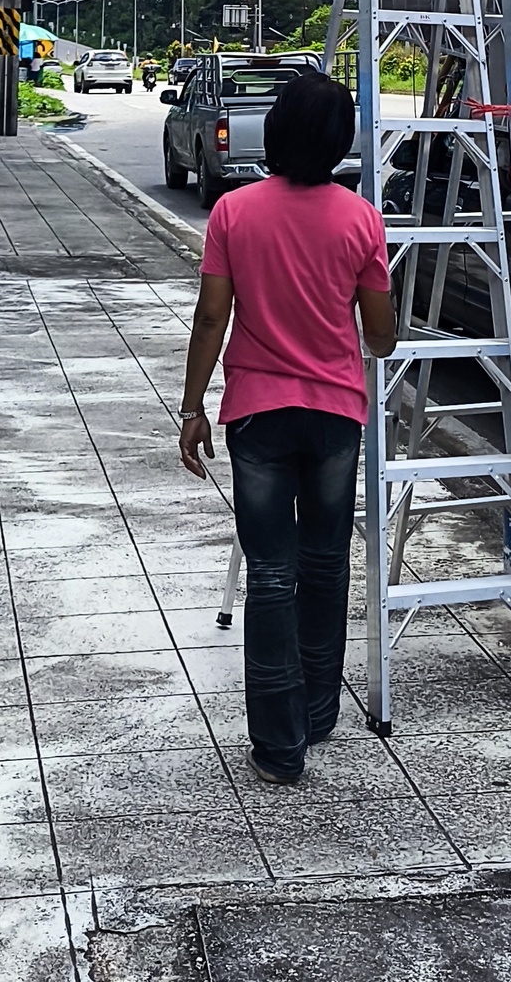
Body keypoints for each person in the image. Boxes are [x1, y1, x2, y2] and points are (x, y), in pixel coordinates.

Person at [177, 69, 394, 783]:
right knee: (327, 566)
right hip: (334, 414)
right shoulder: (361, 217)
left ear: (274, 130)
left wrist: (191, 406)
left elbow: (213, 317)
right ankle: (319, 711)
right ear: (340, 140)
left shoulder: (235, 212)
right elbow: (382, 337)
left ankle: (278, 748)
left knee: (271, 574)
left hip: (257, 416)